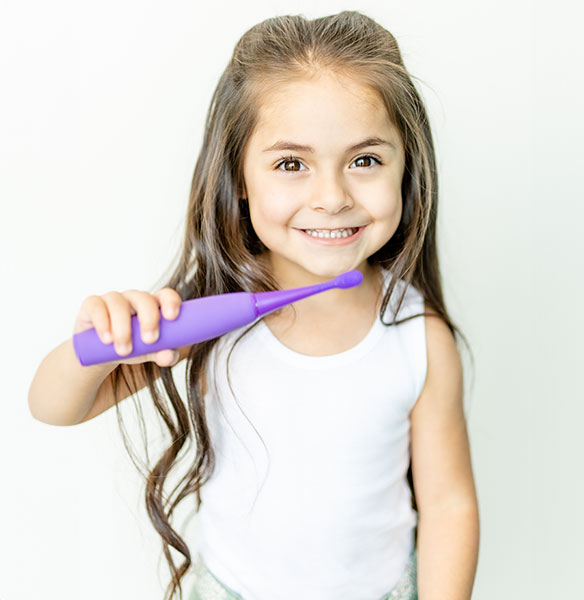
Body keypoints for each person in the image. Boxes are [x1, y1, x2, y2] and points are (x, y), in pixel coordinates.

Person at [28, 10, 480, 600]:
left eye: (365, 160)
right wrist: (105, 338)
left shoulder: (417, 336)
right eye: (291, 164)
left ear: (406, 168)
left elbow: (449, 503)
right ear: (238, 177)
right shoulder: (201, 318)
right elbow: (52, 406)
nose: (332, 197)